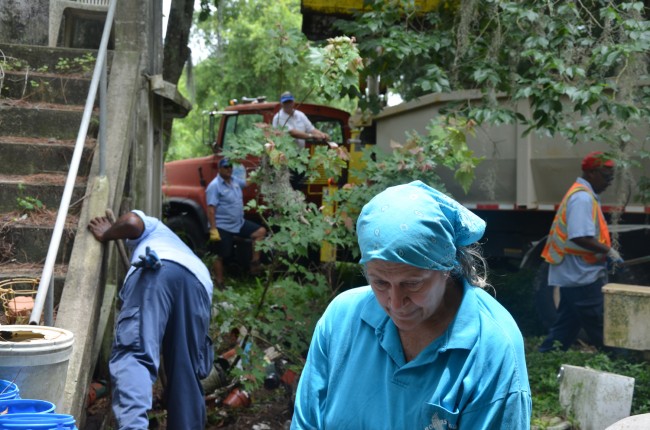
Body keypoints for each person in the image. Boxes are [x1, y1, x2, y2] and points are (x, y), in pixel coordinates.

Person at [291, 180, 532, 429]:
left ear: (446, 268)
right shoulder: (342, 319)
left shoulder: (491, 348)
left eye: (413, 284)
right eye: (380, 283)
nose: (395, 303)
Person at [87, 210, 214, 430]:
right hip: (199, 285)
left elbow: (132, 222)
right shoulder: (184, 251)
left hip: (155, 273)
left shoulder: (154, 228)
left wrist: (108, 232)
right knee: (185, 374)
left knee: (136, 352)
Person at [538, 151, 623, 352]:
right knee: (600, 325)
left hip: (576, 274)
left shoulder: (583, 195)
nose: (609, 182)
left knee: (566, 326)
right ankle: (619, 362)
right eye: (606, 176)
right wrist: (610, 252)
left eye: (612, 177)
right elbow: (579, 236)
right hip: (581, 276)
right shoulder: (582, 198)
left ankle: (547, 356)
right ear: (591, 173)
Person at [206, 157, 266, 287]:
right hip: (222, 226)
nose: (229, 169)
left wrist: (261, 170)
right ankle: (219, 282)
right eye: (226, 167)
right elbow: (211, 210)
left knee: (260, 232)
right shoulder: (214, 186)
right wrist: (213, 229)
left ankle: (254, 264)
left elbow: (248, 182)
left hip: (239, 223)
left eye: (230, 167)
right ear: (220, 168)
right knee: (220, 254)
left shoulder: (234, 181)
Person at [272, 92, 331, 189]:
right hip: (285, 159)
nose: (288, 104)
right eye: (285, 102)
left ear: (293, 102)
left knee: (299, 186)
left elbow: (311, 128)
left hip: (300, 158)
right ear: (281, 104)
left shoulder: (300, 115)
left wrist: (322, 134)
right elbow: (292, 133)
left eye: (289, 102)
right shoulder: (278, 117)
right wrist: (312, 136)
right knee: (287, 187)